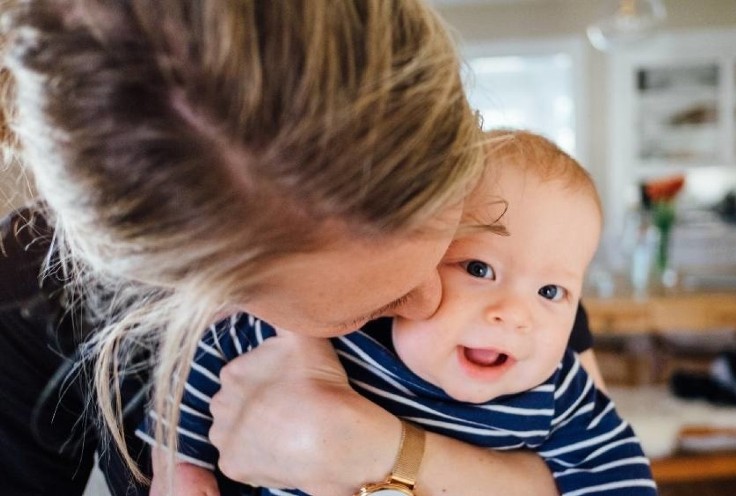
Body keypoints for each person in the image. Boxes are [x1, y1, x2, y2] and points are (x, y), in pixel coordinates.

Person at [0, 1, 605, 495]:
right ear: (199, 291)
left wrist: (388, 455)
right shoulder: (24, 302)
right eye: (369, 305)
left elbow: (599, 466)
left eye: (452, 247)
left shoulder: (513, 262)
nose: (431, 298)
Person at [143, 130, 656, 496]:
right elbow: (208, 356)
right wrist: (181, 468)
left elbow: (615, 474)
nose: (514, 313)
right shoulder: (348, 327)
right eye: (478, 269)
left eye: (550, 292)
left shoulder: (556, 391)